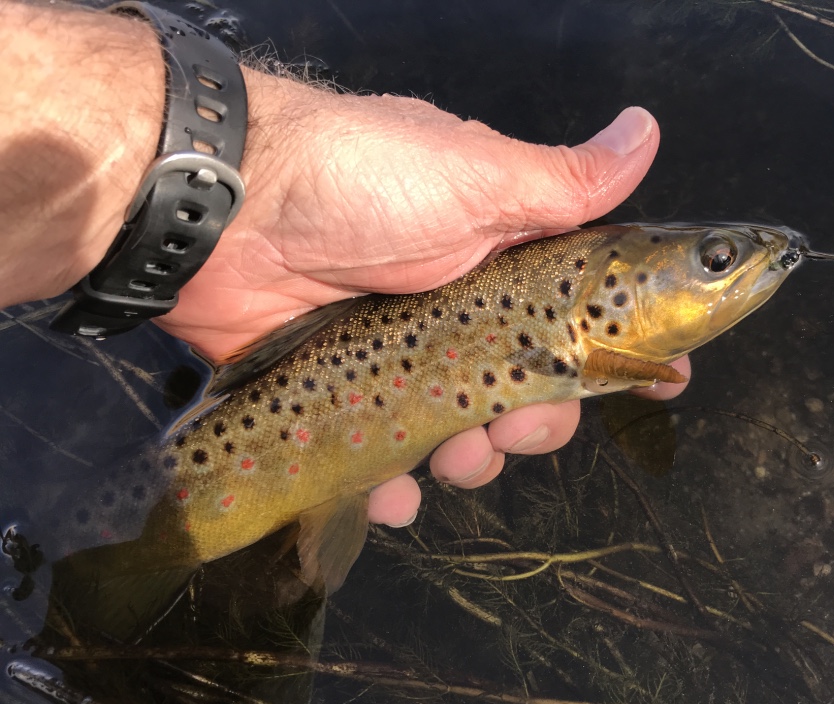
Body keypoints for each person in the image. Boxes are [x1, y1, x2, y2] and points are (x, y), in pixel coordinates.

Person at [0, 1, 689, 528]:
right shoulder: (586, 329)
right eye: (714, 260)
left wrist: (254, 166)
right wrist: (251, 165)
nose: (746, 263)